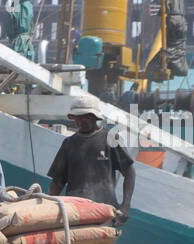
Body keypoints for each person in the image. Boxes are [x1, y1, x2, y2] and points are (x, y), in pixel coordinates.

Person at [47, 92, 134, 225]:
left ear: (94, 117)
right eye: (78, 117)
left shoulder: (111, 138)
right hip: (74, 212)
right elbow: (57, 181)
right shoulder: (68, 144)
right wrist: (50, 205)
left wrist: (126, 205)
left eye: (86, 117)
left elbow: (129, 171)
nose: (81, 121)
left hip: (105, 211)